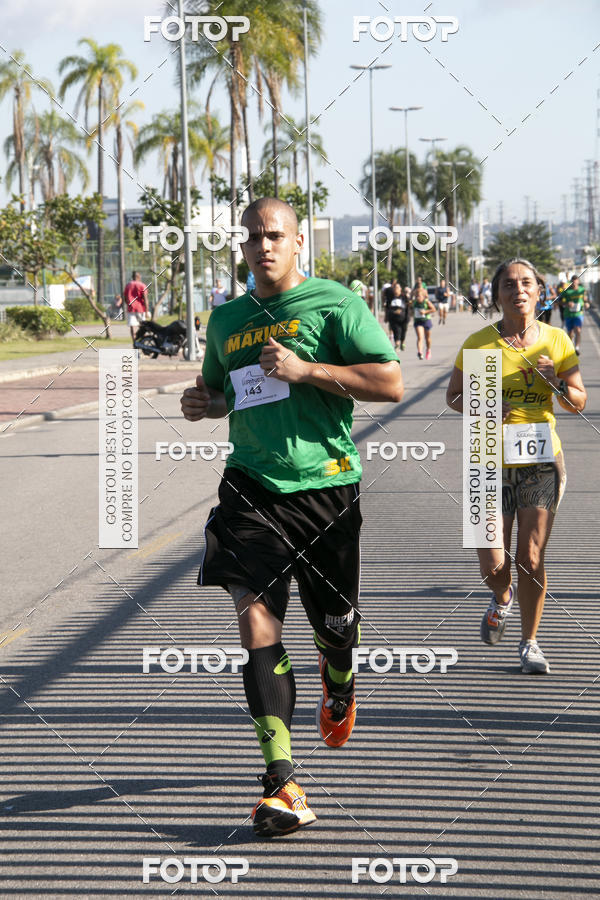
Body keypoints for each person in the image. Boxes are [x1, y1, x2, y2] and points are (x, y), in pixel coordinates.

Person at [180, 197, 403, 837]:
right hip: (250, 486)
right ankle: (282, 782)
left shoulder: (335, 303)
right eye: (251, 237)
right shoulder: (225, 320)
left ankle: (340, 676)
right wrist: (204, 403)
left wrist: (307, 369)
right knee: (255, 618)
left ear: (299, 241)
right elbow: (227, 395)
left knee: (336, 627)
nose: (262, 246)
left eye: (274, 235)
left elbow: (389, 382)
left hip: (327, 489)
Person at [446, 258, 586, 674]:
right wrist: (484, 404)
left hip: (541, 458)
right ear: (496, 295)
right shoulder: (478, 343)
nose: (518, 290)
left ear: (540, 292)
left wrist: (557, 384)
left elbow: (578, 402)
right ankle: (502, 597)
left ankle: (530, 643)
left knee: (530, 554)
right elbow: (453, 397)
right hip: (485, 455)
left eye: (527, 283)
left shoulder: (556, 341)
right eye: (509, 284)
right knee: (491, 561)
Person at [562, 275, 589, 355]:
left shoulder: (582, 290)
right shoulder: (567, 291)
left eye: (576, 280)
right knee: (570, 332)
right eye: (573, 281)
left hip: (578, 314)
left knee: (578, 330)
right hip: (568, 314)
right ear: (571, 282)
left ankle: (577, 348)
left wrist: (587, 303)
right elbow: (561, 302)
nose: (574, 282)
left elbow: (585, 299)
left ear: (578, 281)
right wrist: (567, 303)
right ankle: (570, 347)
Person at [411, 276, 436, 359]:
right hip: (418, 321)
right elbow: (411, 311)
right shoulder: (414, 303)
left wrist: (425, 312)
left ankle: (428, 349)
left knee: (427, 338)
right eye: (417, 296)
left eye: (419, 296)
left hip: (426, 320)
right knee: (420, 337)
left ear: (423, 296)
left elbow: (433, 309)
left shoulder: (426, 302)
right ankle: (420, 352)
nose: (418, 297)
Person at [123, 271, 148, 344]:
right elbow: (145, 299)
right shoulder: (142, 285)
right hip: (140, 309)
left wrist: (128, 304)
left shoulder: (128, 285)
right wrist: (146, 311)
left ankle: (134, 342)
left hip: (131, 309)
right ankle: (143, 341)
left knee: (132, 326)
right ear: (138, 277)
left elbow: (125, 298)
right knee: (143, 326)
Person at [385, 282, 408, 350]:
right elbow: (387, 307)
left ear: (400, 289)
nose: (396, 289)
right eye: (395, 288)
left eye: (397, 287)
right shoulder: (391, 297)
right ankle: (397, 344)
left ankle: (402, 342)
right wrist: (386, 316)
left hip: (403, 317)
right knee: (396, 330)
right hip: (393, 318)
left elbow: (408, 306)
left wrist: (404, 313)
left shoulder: (404, 297)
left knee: (403, 331)